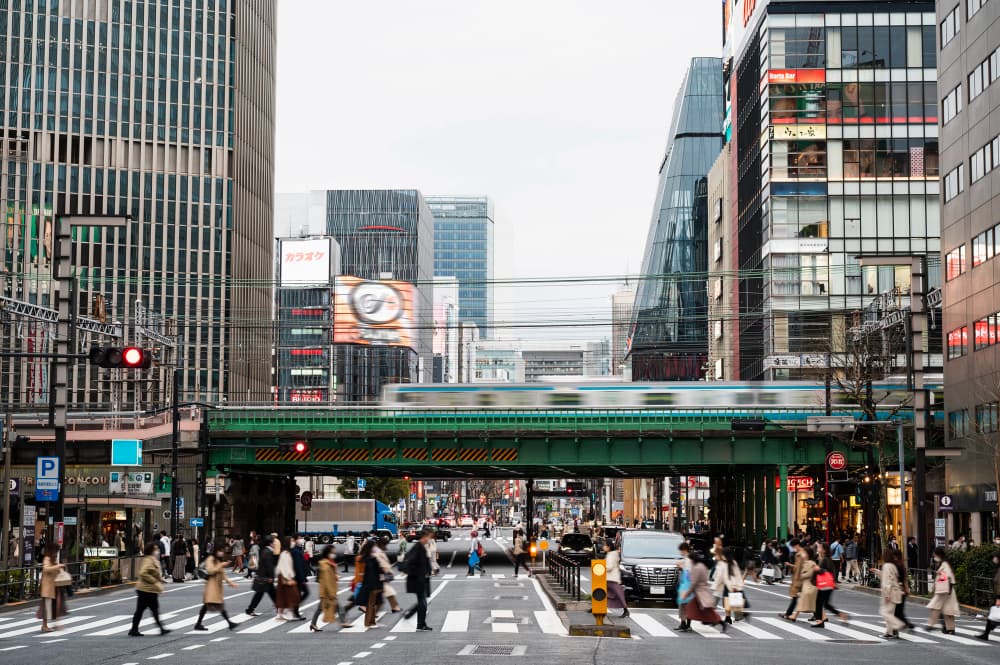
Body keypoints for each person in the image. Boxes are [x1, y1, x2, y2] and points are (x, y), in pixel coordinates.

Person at [194, 543, 238, 631]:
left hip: (216, 586)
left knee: (208, 605)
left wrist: (230, 582)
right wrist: (221, 565)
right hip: (211, 585)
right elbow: (210, 571)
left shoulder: (217, 560)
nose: (222, 553)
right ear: (216, 551)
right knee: (217, 604)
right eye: (220, 551)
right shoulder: (211, 559)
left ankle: (198, 624)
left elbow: (222, 573)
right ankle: (230, 623)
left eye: (222, 551)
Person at [129, 542, 170, 636]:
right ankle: (161, 628)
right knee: (152, 609)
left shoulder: (152, 559)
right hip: (147, 589)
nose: (157, 551)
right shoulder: (149, 560)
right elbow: (143, 573)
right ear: (151, 551)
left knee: (142, 610)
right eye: (156, 549)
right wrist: (153, 581)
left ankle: (134, 629)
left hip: (147, 589)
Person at [680, 549, 726, 632]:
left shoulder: (697, 567)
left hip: (700, 593)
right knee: (691, 609)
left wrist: (686, 594)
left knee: (706, 611)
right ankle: (687, 625)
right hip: (700, 592)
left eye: (690, 559)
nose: (689, 561)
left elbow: (694, 583)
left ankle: (721, 623)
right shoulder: (702, 565)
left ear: (693, 559)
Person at [310, 545, 350, 631]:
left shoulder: (329, 563)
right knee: (337, 607)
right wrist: (332, 593)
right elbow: (327, 580)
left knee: (320, 608)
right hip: (327, 592)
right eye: (332, 552)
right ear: (327, 553)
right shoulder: (325, 565)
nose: (334, 554)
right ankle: (343, 622)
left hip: (327, 591)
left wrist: (335, 575)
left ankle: (313, 624)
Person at [403, 527, 434, 631]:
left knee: (423, 602)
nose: (430, 539)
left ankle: (421, 623)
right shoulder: (418, 547)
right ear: (425, 537)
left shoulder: (420, 546)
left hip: (421, 579)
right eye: (429, 537)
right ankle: (420, 624)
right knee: (423, 602)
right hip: (418, 580)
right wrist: (420, 573)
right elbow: (410, 562)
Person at [810, 542, 847, 627]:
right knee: (825, 604)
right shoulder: (824, 558)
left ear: (824, 550)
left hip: (824, 584)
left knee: (818, 603)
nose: (818, 548)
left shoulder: (826, 559)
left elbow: (828, 571)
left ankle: (820, 621)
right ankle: (841, 615)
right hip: (827, 584)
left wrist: (818, 569)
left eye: (819, 547)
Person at [925, 547, 959, 634]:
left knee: (935, 607)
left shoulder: (944, 564)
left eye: (935, 554)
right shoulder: (944, 563)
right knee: (948, 610)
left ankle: (930, 625)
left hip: (944, 590)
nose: (934, 556)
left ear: (938, 555)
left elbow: (948, 576)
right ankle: (950, 628)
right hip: (947, 590)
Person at [245, 535, 278, 616]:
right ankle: (280, 608)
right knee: (266, 594)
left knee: (261, 594)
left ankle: (250, 609)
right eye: (273, 542)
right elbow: (269, 566)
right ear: (270, 543)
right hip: (266, 578)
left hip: (263, 577)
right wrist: (271, 576)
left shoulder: (264, 550)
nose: (274, 544)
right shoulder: (268, 552)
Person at [712, 547, 746, 624]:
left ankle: (732, 617)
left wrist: (715, 585)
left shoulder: (728, 563)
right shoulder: (729, 562)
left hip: (731, 586)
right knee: (728, 602)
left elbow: (720, 576)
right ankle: (729, 617)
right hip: (729, 586)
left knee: (731, 602)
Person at [39, 543, 67, 633]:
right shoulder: (47, 558)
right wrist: (58, 566)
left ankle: (48, 625)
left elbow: (55, 570)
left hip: (52, 587)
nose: (56, 553)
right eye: (55, 550)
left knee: (50, 606)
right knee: (47, 606)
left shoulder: (53, 559)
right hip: (47, 587)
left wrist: (60, 569)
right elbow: (46, 569)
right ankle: (44, 626)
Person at [785, 547, 818, 622]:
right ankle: (821, 617)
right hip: (805, 585)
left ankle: (794, 616)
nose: (802, 554)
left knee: (803, 601)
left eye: (804, 553)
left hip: (809, 585)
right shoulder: (805, 562)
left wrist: (801, 576)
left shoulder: (811, 562)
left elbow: (809, 573)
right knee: (810, 602)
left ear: (807, 554)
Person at [880, 549, 906, 639]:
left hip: (890, 592)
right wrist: (877, 572)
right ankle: (889, 632)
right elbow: (889, 578)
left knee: (885, 612)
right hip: (895, 592)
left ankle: (898, 624)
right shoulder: (892, 565)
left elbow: (888, 581)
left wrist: (887, 594)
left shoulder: (887, 566)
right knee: (889, 613)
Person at [357, 540, 383, 628]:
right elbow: (372, 573)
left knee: (372, 604)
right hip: (371, 585)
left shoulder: (367, 558)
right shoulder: (370, 559)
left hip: (369, 584)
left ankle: (372, 622)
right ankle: (368, 623)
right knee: (370, 604)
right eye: (374, 547)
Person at [373, 536, 402, 612]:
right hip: (380, 576)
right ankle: (394, 607)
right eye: (386, 544)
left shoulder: (378, 549)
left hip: (380, 576)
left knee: (387, 593)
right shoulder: (377, 551)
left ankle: (394, 607)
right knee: (388, 592)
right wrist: (386, 570)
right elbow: (380, 562)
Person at [275, 538, 301, 621]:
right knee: (292, 596)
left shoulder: (285, 553)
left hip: (282, 577)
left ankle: (280, 614)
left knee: (283, 596)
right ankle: (287, 613)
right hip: (285, 577)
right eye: (291, 541)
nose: (293, 542)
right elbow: (285, 567)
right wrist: (289, 578)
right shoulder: (285, 554)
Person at [780, 539, 806, 620]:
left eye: (794, 547)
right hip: (798, 578)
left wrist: (799, 579)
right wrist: (790, 565)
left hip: (800, 578)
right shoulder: (799, 554)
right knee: (799, 597)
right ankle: (789, 613)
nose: (794, 548)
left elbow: (801, 568)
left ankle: (789, 614)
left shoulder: (802, 554)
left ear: (797, 545)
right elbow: (797, 567)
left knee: (798, 597)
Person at [977, 552, 1000, 640]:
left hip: (999, 597)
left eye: (995, 557)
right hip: (997, 596)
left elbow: (999, 585)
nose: (993, 559)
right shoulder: (998, 568)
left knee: (992, 616)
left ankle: (986, 633)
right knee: (992, 616)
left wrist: (998, 598)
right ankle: (986, 633)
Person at [603, 540, 628, 618]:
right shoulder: (612, 554)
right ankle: (595, 607)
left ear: (608, 547)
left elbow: (609, 567)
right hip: (611, 578)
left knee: (618, 594)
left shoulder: (611, 555)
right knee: (604, 594)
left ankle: (626, 610)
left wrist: (602, 568)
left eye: (604, 545)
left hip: (611, 578)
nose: (603, 547)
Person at [290, 537, 310, 619]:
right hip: (298, 577)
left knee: (300, 594)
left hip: (299, 577)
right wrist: (302, 578)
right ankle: (294, 610)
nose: (302, 539)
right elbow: (298, 566)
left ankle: (294, 610)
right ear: (295, 540)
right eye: (299, 538)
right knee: (302, 593)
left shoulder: (298, 549)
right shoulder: (296, 551)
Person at [676, 542, 694, 632]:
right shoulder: (686, 559)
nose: (680, 552)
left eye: (681, 550)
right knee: (683, 605)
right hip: (685, 585)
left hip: (687, 586)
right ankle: (684, 623)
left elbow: (689, 573)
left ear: (684, 550)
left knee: (685, 605)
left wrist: (681, 567)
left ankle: (687, 624)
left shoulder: (689, 560)